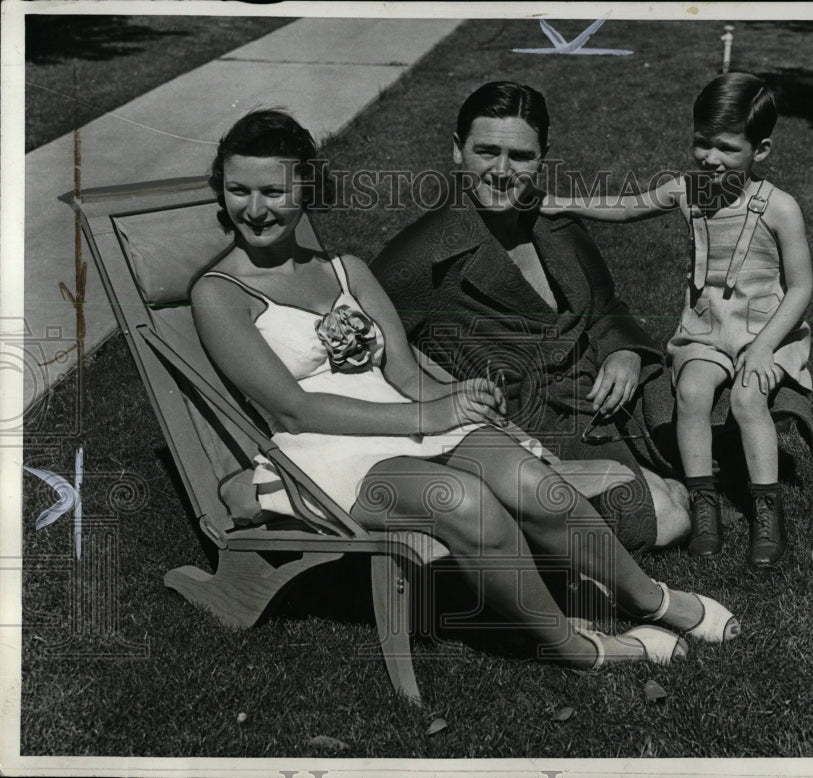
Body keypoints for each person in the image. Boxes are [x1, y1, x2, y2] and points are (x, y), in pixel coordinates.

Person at [190, 109, 741, 677]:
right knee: (466, 503)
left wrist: (465, 402)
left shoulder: (345, 269)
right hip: (326, 454)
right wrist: (428, 413)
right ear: (222, 191)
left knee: (538, 484)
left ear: (305, 187)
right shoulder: (220, 293)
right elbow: (294, 409)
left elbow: (404, 371)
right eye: (238, 190)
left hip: (404, 418)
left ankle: (651, 600)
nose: (255, 209)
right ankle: (575, 648)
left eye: (273, 190)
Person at [370, 81, 689, 555]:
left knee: (709, 423)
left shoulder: (554, 222)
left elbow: (605, 306)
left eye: (520, 156)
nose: (501, 171)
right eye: (486, 151)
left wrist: (623, 350)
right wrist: (442, 398)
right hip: (536, 421)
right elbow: (371, 349)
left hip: (607, 384)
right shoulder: (424, 253)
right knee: (665, 516)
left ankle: (681, 477)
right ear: (457, 151)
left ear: (542, 158)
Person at [542, 73, 813, 568]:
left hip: (765, 332)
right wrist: (566, 202)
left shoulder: (780, 209)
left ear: (762, 150)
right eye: (701, 143)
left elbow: (801, 289)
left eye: (727, 148)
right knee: (691, 391)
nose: (710, 158)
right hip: (706, 329)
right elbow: (628, 209)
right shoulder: (687, 192)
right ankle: (703, 499)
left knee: (750, 396)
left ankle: (766, 509)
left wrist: (763, 347)